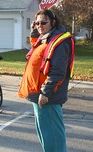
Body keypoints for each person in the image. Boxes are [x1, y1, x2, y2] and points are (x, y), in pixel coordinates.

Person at [18, 9, 75, 152]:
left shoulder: (59, 42)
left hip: (48, 96)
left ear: (53, 22)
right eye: (37, 23)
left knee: (53, 137)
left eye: (43, 22)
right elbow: (36, 47)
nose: (39, 25)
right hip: (39, 94)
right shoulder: (46, 38)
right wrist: (35, 32)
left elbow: (57, 71)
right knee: (45, 134)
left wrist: (45, 92)